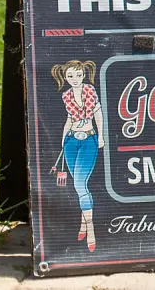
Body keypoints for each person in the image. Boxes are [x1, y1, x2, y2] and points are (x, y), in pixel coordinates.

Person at [51, 58, 105, 252]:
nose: (75, 79)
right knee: (79, 185)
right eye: (70, 76)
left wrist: (101, 136)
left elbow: (98, 113)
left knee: (79, 184)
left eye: (78, 75)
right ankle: (83, 225)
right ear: (65, 77)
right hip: (71, 141)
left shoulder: (90, 91)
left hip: (89, 139)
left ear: (84, 75)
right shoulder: (66, 96)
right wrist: (63, 137)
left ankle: (90, 229)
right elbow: (69, 118)